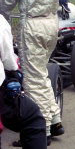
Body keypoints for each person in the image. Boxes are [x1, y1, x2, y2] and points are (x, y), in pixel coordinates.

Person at [0, 0, 64, 143]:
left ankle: (40, 130)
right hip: (51, 21)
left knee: (32, 80)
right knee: (41, 74)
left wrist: (0, 16)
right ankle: (54, 118)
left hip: (34, 24)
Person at [0, 14, 48, 148]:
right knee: (32, 115)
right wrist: (14, 74)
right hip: (37, 27)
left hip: (33, 25)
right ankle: (51, 124)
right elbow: (8, 60)